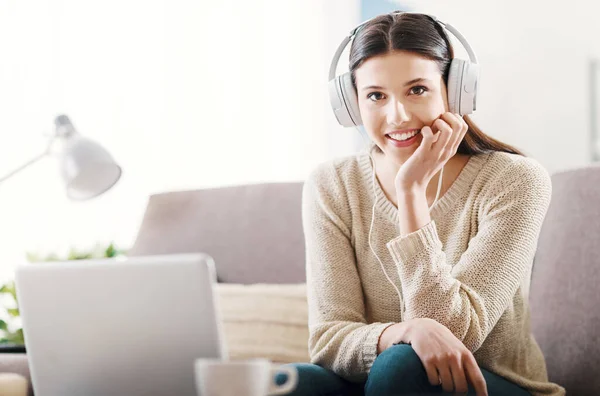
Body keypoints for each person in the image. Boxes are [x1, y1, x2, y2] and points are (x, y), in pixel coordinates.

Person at [280, 11, 566, 396]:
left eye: (417, 90)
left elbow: (453, 334)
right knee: (294, 383)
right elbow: (330, 341)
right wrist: (404, 332)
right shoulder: (331, 184)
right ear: (352, 104)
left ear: (456, 89)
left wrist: (411, 192)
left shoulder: (515, 180)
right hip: (382, 379)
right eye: (376, 95)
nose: (397, 115)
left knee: (403, 365)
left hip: (489, 383)